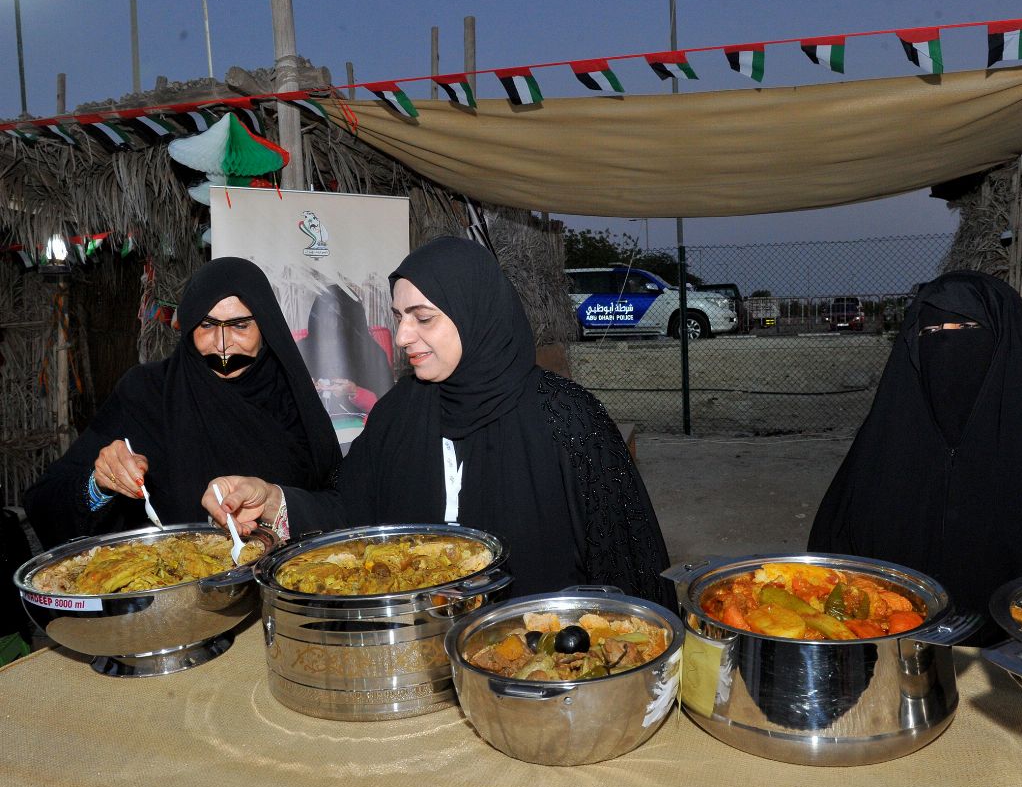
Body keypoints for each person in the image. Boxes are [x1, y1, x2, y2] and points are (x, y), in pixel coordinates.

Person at [204, 236, 672, 604]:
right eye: (398, 316)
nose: (403, 335)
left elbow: (626, 568)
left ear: (474, 314)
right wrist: (272, 500)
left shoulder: (565, 419)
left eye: (422, 318)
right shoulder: (399, 412)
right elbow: (352, 511)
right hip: (416, 653)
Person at [807, 270, 1022, 645]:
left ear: (1004, 339)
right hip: (900, 643)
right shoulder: (887, 440)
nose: (946, 345)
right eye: (931, 333)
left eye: (965, 329)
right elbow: (835, 558)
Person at [24, 257, 341, 546]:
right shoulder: (146, 394)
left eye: (240, 325)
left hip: (285, 592)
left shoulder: (294, 399)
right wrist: (99, 485)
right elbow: (46, 499)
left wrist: (276, 502)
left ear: (267, 327)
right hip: (171, 598)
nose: (222, 345)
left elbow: (342, 504)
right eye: (206, 325)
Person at [297, 284, 394, 416]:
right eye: (327, 314)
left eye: (340, 316)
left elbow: (388, 408)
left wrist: (354, 391)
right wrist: (304, 391)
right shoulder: (300, 350)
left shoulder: (371, 352)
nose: (333, 322)